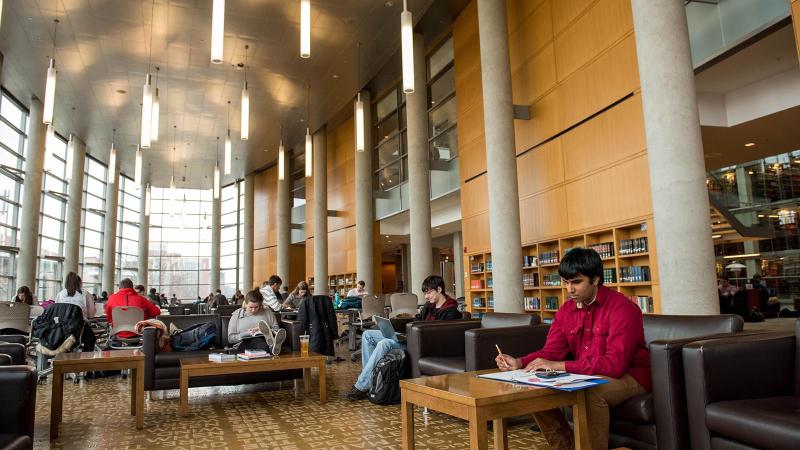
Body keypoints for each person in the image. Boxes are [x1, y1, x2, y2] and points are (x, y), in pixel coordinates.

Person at [494, 248, 650, 450]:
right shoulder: (566, 310)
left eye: (576, 282)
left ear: (595, 279)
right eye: (566, 282)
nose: (569, 289)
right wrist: (520, 362)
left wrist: (560, 366)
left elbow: (615, 365)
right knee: (532, 388)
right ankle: (565, 446)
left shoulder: (622, 308)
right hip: (588, 372)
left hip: (631, 375)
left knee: (591, 392)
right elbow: (551, 352)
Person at [344, 275, 460, 401]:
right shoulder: (428, 306)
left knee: (385, 343)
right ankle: (372, 382)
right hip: (411, 338)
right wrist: (401, 330)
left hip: (421, 345)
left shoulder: (450, 311)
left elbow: (440, 335)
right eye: (425, 293)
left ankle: (361, 386)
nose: (426, 296)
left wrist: (412, 333)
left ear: (439, 289)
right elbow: (417, 321)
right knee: (368, 335)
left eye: (429, 292)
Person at [227, 289, 286, 355]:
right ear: (245, 304)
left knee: (262, 339)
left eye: (256, 307)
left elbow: (276, 330)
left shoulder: (267, 311)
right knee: (258, 341)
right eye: (250, 307)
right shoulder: (236, 315)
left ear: (260, 305)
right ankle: (272, 348)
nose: (253, 310)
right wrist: (246, 334)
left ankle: (271, 343)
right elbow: (230, 338)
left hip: (264, 339)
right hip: (244, 342)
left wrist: (260, 330)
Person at [55, 272, 96, 350]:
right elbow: (91, 315)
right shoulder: (85, 294)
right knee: (91, 339)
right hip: (78, 329)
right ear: (79, 283)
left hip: (61, 329)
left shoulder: (60, 295)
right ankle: (84, 359)